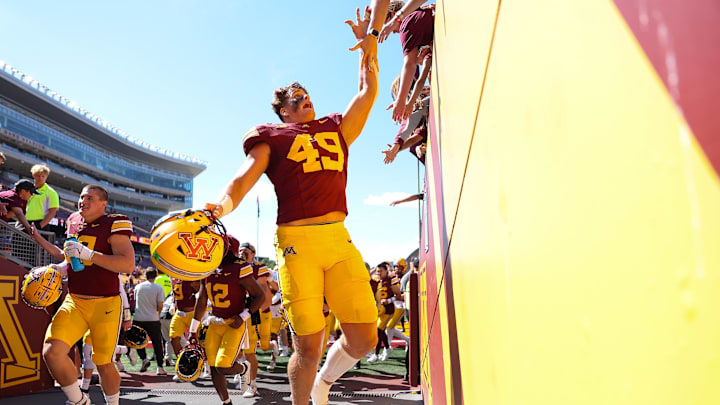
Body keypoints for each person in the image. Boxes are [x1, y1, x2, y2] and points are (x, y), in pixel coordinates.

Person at [204, 5, 386, 403]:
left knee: (364, 338)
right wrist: (219, 207)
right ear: (283, 112)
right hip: (297, 244)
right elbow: (244, 177)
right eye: (294, 98)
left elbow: (367, 91)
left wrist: (367, 45)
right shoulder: (273, 136)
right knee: (308, 346)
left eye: (306, 95)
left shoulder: (335, 127)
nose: (304, 100)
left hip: (338, 239)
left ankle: (323, 382)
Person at [31, 184, 135, 405]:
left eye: (90, 198)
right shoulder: (73, 221)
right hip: (75, 300)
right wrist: (54, 265)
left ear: (103, 204)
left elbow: (127, 264)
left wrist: (90, 254)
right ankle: (79, 401)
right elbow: (67, 257)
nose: (83, 201)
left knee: (103, 362)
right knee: (52, 352)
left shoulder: (113, 223)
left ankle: (113, 403)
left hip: (105, 304)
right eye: (81, 197)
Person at [190, 235, 265, 405]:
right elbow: (202, 298)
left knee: (223, 366)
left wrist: (243, 316)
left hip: (233, 324)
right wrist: (193, 329)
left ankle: (244, 368)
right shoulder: (208, 266)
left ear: (227, 248)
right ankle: (226, 402)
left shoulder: (240, 267)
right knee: (214, 368)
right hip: (214, 322)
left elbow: (259, 295)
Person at [236, 241, 276, 397]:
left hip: (257, 313)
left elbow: (264, 296)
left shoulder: (259, 268)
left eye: (245, 252)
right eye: (240, 251)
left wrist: (252, 312)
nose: (241, 254)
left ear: (252, 253)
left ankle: (252, 384)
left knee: (260, 347)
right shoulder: (236, 266)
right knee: (241, 349)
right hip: (239, 313)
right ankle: (243, 375)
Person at [133, 267, 168, 375]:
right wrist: (157, 314)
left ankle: (144, 359)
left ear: (145, 275)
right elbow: (160, 305)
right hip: (153, 318)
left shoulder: (138, 287)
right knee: (157, 343)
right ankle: (159, 367)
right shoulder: (158, 288)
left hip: (138, 317)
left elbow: (135, 300)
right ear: (156, 275)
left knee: (138, 342)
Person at [169, 277, 199, 381]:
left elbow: (201, 294)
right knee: (173, 339)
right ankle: (182, 365)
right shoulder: (173, 277)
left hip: (192, 313)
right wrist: (173, 304)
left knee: (198, 341)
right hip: (179, 313)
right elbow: (174, 292)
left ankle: (203, 367)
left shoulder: (192, 278)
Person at [26, 164, 60, 233]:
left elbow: (52, 212)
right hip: (25, 222)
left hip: (39, 224)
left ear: (46, 177)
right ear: (33, 175)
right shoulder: (28, 189)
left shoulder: (51, 192)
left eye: (43, 176)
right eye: (38, 176)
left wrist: (40, 226)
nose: (41, 178)